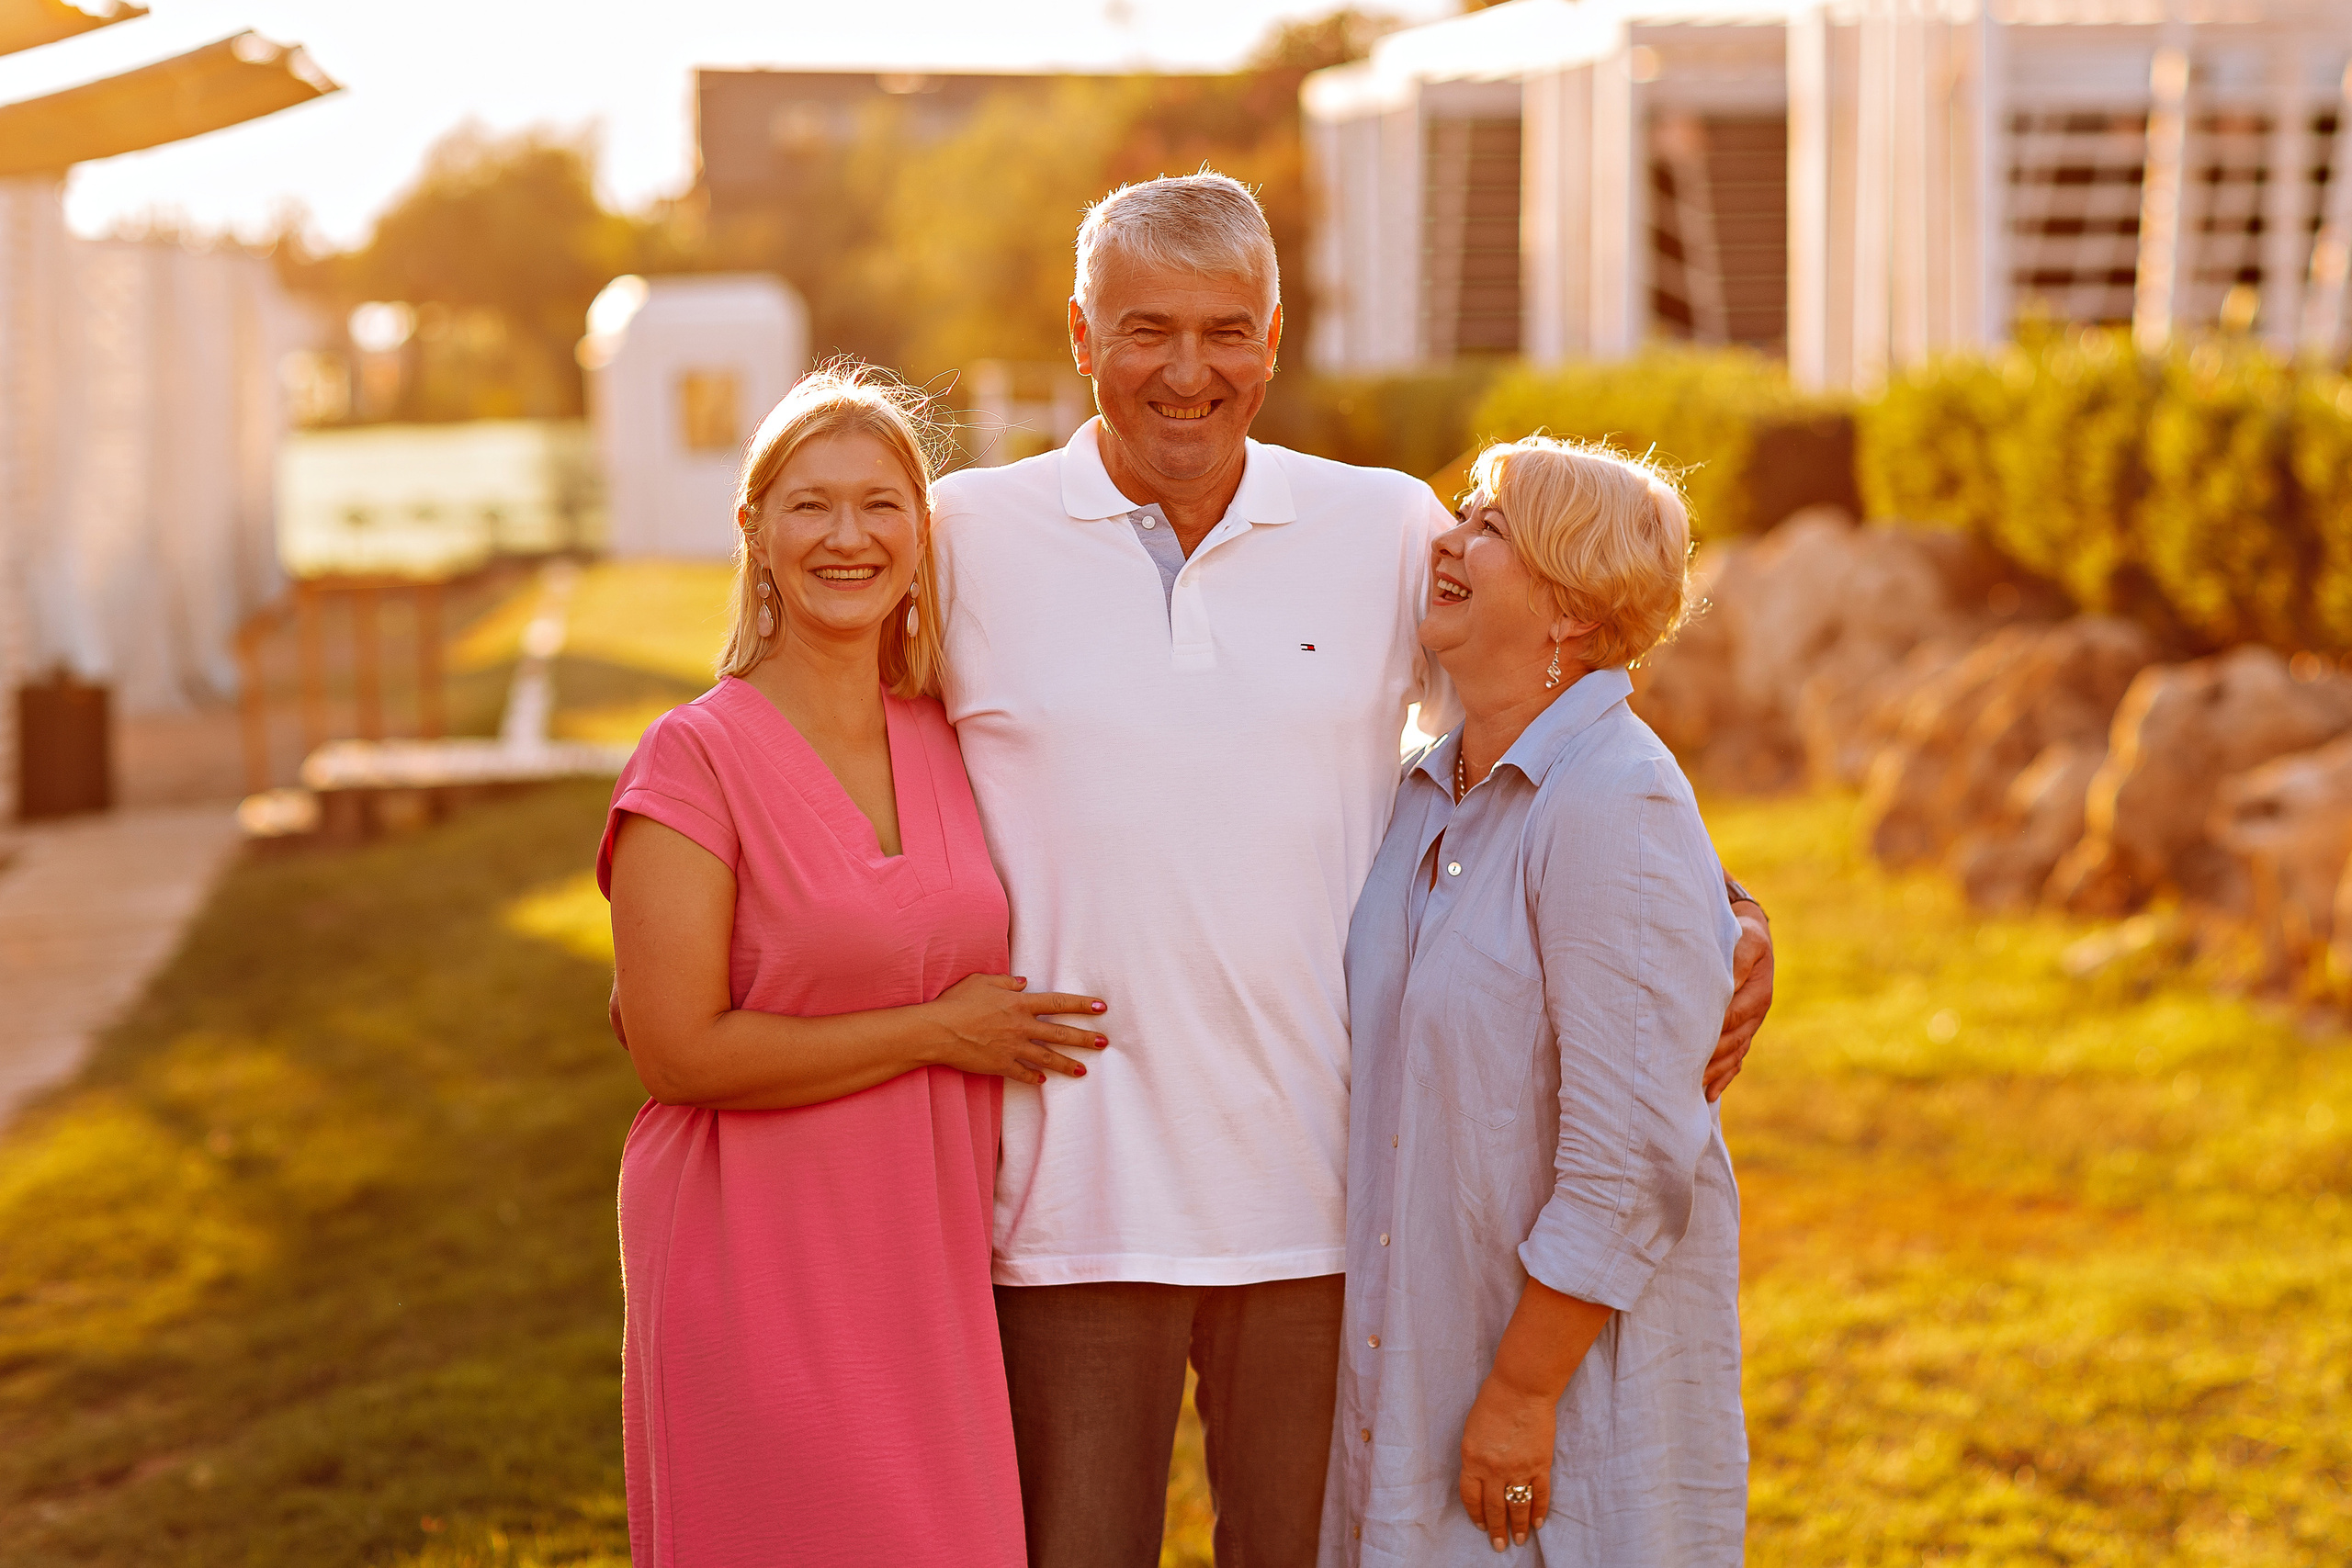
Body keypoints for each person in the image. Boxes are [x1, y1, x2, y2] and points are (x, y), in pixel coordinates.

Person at [929, 172, 1775, 1568]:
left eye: (1225, 331)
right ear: (1081, 335)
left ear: (1273, 341)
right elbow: (842, 753)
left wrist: (1720, 910)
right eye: (1147, 330)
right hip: (1063, 1208)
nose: (1187, 372)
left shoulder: (1383, 526)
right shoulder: (963, 537)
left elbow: (1551, 716)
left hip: (1327, 1220)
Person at [598, 367, 1111, 1567]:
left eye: (882, 506)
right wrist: (936, 1032)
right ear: (755, 531)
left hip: (926, 1266)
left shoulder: (949, 733)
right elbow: (675, 1045)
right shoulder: (692, 759)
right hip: (759, 1259)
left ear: (921, 537)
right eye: (811, 506)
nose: (848, 537)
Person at [1321, 437, 1747, 1565]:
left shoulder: (1617, 799)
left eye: (1489, 527)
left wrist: (1518, 1392)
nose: (1446, 540)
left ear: (1567, 609)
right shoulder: (1422, 790)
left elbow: (1631, 1161)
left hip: (1549, 1389)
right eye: (1461, 514)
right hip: (1413, 1349)